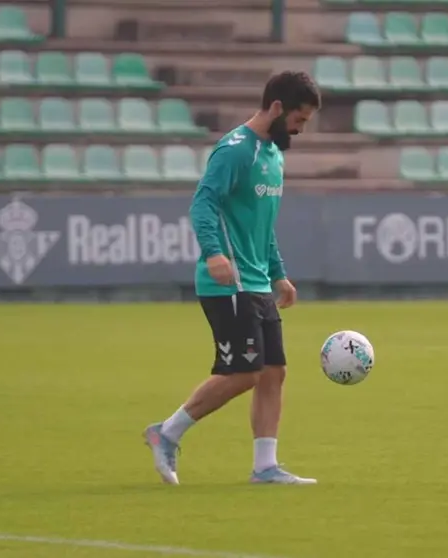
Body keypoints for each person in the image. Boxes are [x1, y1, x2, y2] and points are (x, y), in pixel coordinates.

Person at [143, 71, 321, 485]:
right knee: (245, 372)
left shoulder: (274, 155)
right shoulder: (235, 150)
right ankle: (165, 433)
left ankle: (265, 466)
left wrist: (279, 274)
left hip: (257, 281)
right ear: (277, 108)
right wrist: (214, 253)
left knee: (273, 371)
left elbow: (263, 224)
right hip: (230, 282)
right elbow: (203, 203)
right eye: (299, 118)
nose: (300, 128)